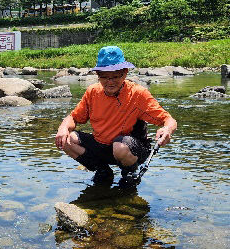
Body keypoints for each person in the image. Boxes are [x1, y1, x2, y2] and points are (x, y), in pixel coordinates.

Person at [55, 46, 177, 185]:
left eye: (115, 76)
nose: (110, 82)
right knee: (66, 139)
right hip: (101, 145)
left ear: (125, 73)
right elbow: (74, 118)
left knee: (120, 146)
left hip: (130, 148)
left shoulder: (138, 94)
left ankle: (129, 173)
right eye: (104, 77)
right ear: (98, 75)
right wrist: (63, 128)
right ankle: (102, 171)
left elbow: (169, 120)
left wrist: (167, 130)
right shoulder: (93, 92)